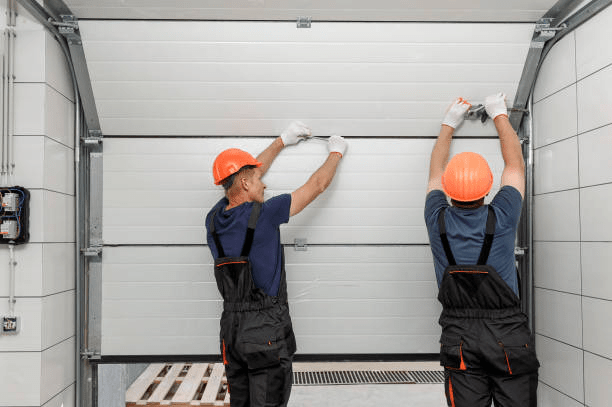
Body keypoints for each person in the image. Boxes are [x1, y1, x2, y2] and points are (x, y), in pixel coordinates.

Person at [205, 121, 347, 407]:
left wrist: (282, 141)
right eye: (257, 180)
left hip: (231, 331)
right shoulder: (266, 214)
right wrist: (336, 152)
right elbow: (317, 185)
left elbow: (248, 175)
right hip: (265, 331)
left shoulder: (214, 219)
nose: (264, 182)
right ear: (245, 184)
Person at [424, 94, 540, 407]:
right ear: (487, 188)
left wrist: (449, 123)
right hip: (507, 335)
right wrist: (499, 113)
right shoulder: (502, 214)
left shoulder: (436, 219)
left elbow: (436, 170)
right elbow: (515, 163)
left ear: (448, 189)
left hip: (459, 336)